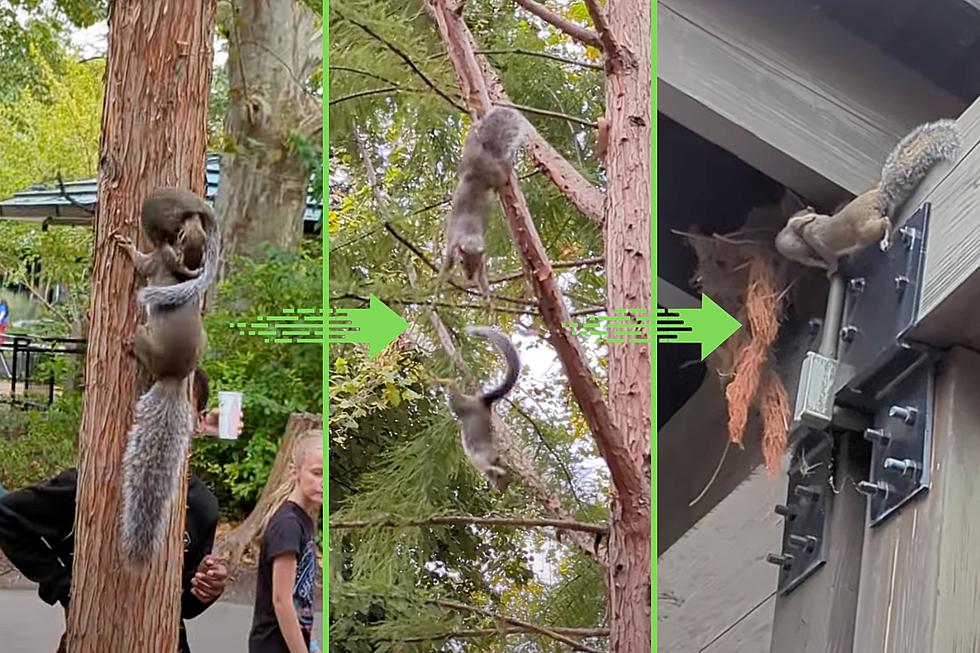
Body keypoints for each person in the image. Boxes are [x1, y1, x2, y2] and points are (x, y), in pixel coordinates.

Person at [0, 366, 241, 653]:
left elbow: (185, 606)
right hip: (94, 641)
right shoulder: (91, 485)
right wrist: (63, 585)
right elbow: (7, 515)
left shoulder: (202, 504)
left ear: (199, 422)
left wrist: (206, 588)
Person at [248, 429, 323, 653]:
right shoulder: (288, 525)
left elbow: (303, 598)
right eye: (317, 473)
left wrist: (313, 643)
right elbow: (282, 600)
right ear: (295, 472)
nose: (323, 482)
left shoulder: (304, 521)